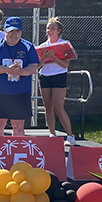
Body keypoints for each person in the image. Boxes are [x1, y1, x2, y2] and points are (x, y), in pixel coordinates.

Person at [0, 16, 39, 137]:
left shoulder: (28, 46)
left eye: (17, 32)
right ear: (4, 30)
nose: (14, 35)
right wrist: (6, 69)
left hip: (20, 92)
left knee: (18, 127)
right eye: (11, 32)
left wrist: (21, 72)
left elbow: (33, 66)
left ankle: (17, 153)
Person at [37, 17, 77, 145]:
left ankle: (70, 136)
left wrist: (54, 57)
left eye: (52, 28)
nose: (49, 30)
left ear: (59, 30)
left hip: (59, 75)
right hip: (45, 76)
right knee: (48, 106)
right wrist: (44, 58)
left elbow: (65, 65)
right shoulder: (43, 46)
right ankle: (52, 133)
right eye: (48, 28)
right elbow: (37, 65)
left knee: (59, 107)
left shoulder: (64, 44)